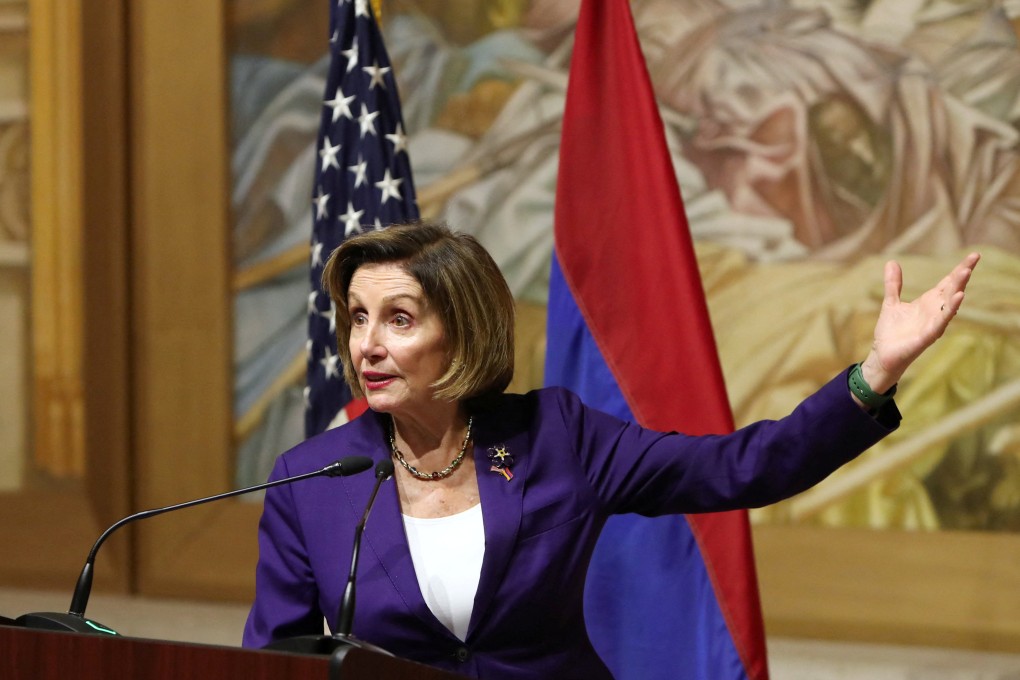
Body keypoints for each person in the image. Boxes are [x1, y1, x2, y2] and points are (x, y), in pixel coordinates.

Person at [242, 221, 980, 678]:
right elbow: (275, 659)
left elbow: (747, 466)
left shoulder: (558, 438)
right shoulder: (313, 479)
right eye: (358, 318)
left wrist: (876, 371)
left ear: (461, 334)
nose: (367, 344)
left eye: (398, 319)